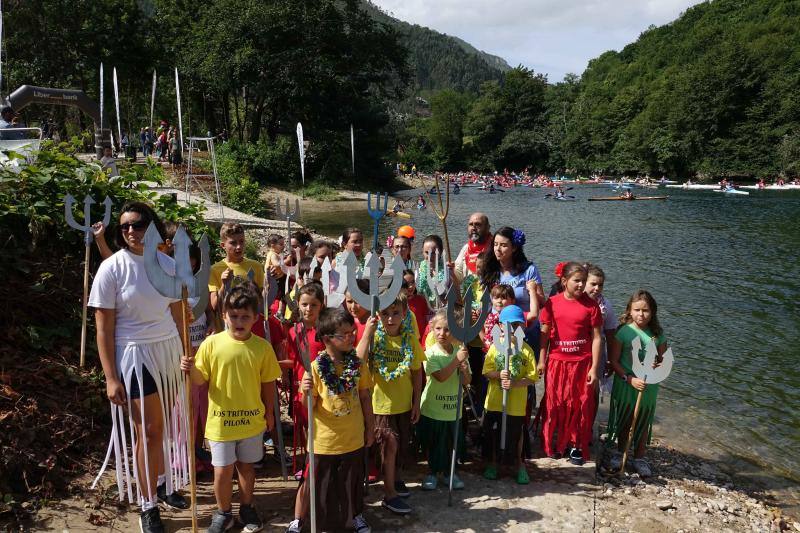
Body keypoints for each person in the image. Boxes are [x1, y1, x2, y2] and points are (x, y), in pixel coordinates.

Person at [88, 202, 189, 533]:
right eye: (125, 226)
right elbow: (103, 328)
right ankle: (147, 505)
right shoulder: (111, 269)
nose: (131, 230)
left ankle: (160, 484)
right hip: (134, 357)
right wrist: (110, 378)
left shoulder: (168, 264)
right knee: (147, 431)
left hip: (169, 353)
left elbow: (178, 314)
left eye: (138, 223)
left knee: (161, 429)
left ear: (153, 226)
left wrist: (187, 354)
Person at [183, 283, 280, 533]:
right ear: (224, 315)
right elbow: (199, 380)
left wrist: (269, 412)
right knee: (222, 470)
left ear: (255, 318)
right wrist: (189, 367)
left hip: (252, 421)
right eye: (234, 316)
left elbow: (268, 383)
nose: (239, 321)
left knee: (246, 467)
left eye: (245, 316)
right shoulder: (211, 344)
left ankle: (246, 507)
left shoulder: (262, 347)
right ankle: (223, 512)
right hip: (220, 422)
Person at [288, 308, 374, 533]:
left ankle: (354, 517)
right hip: (323, 442)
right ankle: (302, 521)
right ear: (327, 339)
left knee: (350, 483)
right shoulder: (315, 368)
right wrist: (305, 391)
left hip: (352, 438)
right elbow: (309, 407)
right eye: (343, 334)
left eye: (352, 332)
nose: (350, 337)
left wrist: (371, 428)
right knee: (317, 486)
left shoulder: (357, 364)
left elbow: (365, 397)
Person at [357, 292, 424, 515]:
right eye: (385, 314)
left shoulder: (410, 339)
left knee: (402, 445)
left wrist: (417, 401)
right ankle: (389, 494)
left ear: (405, 314)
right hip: (380, 405)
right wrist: (367, 331)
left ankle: (396, 478)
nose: (390, 319)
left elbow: (416, 372)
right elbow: (357, 360)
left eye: (396, 313)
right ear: (378, 315)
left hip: (403, 404)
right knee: (389, 446)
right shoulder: (375, 339)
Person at [538, 262, 602, 465]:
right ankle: (553, 444)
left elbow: (597, 338)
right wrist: (541, 360)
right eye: (577, 281)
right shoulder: (552, 303)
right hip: (557, 363)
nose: (582, 285)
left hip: (582, 364)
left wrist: (594, 367)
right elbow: (545, 336)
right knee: (555, 403)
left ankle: (576, 445)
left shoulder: (591, 306)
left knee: (579, 405)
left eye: (584, 281)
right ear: (564, 281)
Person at [606, 290, 669, 477]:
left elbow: (663, 360)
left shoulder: (657, 335)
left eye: (646, 311)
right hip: (627, 383)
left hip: (648, 385)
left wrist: (657, 364)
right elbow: (614, 361)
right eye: (637, 310)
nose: (641, 315)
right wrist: (629, 378)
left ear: (653, 312)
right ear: (629, 310)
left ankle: (640, 457)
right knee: (626, 419)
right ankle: (621, 452)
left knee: (643, 421)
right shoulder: (624, 332)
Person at [481, 305, 538, 483]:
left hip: (516, 403)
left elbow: (532, 377)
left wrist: (515, 383)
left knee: (516, 433)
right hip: (496, 401)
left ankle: (519, 465)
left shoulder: (526, 349)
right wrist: (498, 374)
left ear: (522, 326)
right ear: (501, 326)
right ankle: (492, 463)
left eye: (516, 325)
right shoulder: (494, 348)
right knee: (492, 432)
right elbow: (486, 372)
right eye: (509, 325)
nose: (512, 329)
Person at [417, 310, 470, 490]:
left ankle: (450, 473)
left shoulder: (459, 351)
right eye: (438, 329)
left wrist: (464, 370)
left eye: (447, 330)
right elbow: (440, 376)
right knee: (433, 443)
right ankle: (432, 472)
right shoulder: (430, 353)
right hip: (434, 408)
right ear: (432, 329)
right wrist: (456, 361)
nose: (442, 333)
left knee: (450, 443)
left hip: (453, 407)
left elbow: (467, 381)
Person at [480, 226, 544, 347]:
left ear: (514, 248)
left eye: (503, 245)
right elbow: (485, 306)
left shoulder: (529, 270)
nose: (497, 249)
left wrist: (532, 291)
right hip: (498, 333)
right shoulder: (489, 270)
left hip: (526, 332)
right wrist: (484, 334)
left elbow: (541, 303)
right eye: (495, 244)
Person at [208, 223, 265, 324]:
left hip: (251, 326)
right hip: (226, 327)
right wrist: (223, 285)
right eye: (233, 243)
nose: (238, 247)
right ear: (223, 245)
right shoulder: (214, 270)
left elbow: (262, 301)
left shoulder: (256, 266)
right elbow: (214, 306)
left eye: (241, 241)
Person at [583, 264, 618, 399]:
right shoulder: (576, 300)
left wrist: (611, 360)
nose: (597, 288)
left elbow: (610, 335)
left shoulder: (606, 305)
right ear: (584, 282)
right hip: (578, 350)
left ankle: (591, 415)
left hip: (597, 354)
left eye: (600, 285)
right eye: (593, 284)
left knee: (593, 388)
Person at [454, 213, 491, 282]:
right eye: (471, 224)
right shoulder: (466, 248)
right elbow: (459, 276)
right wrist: (450, 270)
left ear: (488, 228)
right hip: (469, 291)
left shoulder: (494, 248)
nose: (473, 228)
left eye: (478, 224)